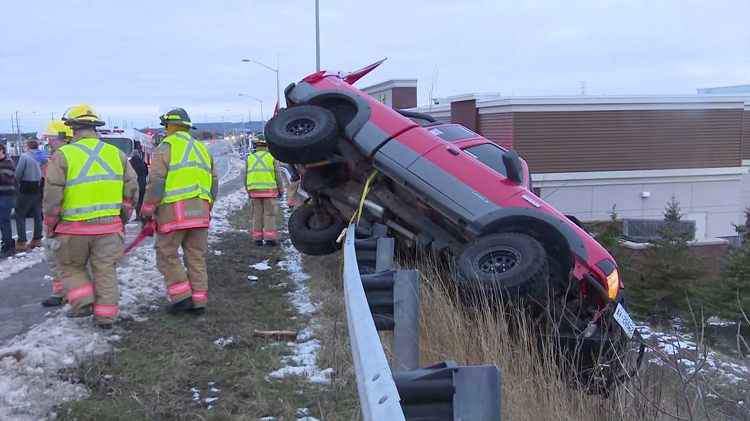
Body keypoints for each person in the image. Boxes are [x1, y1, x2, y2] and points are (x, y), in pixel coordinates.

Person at [43, 104, 139, 329]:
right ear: (96, 128)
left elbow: (52, 196)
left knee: (70, 267)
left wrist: (51, 224)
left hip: (72, 229)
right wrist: (122, 218)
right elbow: (131, 190)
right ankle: (106, 317)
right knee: (106, 270)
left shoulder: (63, 155)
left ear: (72, 128)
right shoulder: (117, 154)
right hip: (109, 229)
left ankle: (84, 301)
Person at [140, 107, 218, 316]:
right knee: (196, 256)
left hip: (173, 213)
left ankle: (181, 295)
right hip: (200, 213)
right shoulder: (202, 149)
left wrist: (147, 210)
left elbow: (156, 181)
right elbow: (214, 182)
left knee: (166, 254)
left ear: (168, 126)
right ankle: (199, 302)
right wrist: (207, 206)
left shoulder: (166, 147)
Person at [39, 121, 73, 307]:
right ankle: (60, 291)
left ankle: (63, 292)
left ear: (62, 137)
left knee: (58, 257)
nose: (49, 142)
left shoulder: (63, 159)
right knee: (57, 258)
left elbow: (54, 192)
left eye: (51, 138)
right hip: (64, 217)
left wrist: (50, 221)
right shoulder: (61, 158)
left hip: (62, 218)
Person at [242, 136, 284, 246]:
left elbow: (244, 176)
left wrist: (248, 190)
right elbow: (278, 176)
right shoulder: (271, 158)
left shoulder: (250, 158)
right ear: (267, 145)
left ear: (255, 145)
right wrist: (281, 189)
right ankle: (270, 239)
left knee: (257, 214)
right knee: (269, 214)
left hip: (254, 192)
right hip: (269, 192)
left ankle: (258, 239)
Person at [13, 139, 47, 251]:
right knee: (37, 214)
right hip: (38, 187)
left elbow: (18, 173)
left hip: (26, 186)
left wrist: (17, 181)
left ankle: (22, 240)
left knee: (20, 214)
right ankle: (37, 238)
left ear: (28, 147)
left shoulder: (25, 157)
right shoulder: (42, 158)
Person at [0, 142, 16, 258]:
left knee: (4, 220)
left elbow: (5, 178)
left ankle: (8, 244)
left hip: (6, 195)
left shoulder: (8, 163)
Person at [129, 148, 149, 217]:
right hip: (142, 184)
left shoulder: (130, 163)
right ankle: (140, 215)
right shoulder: (143, 163)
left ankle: (136, 215)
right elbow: (146, 173)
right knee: (141, 200)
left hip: (133, 184)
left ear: (132, 155)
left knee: (134, 200)